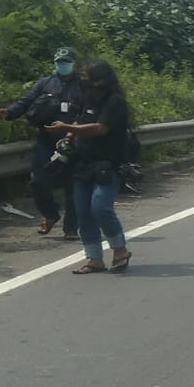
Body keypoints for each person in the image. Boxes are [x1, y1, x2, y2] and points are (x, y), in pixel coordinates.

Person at [47, 60, 132, 275]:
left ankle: (120, 250)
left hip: (107, 165)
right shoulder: (87, 99)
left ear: (99, 80)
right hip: (83, 163)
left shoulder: (115, 102)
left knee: (100, 207)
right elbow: (79, 121)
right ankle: (94, 259)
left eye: (86, 76)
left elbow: (100, 128)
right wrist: (68, 136)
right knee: (83, 212)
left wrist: (66, 126)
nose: (81, 79)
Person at [0, 46, 85, 239]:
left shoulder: (83, 85)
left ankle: (71, 227)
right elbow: (26, 102)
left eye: (66, 63)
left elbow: (90, 110)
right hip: (47, 140)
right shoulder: (46, 83)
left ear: (73, 64)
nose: (63, 66)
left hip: (74, 141)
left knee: (72, 186)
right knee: (38, 182)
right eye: (59, 63)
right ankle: (50, 214)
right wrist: (10, 112)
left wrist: (73, 133)